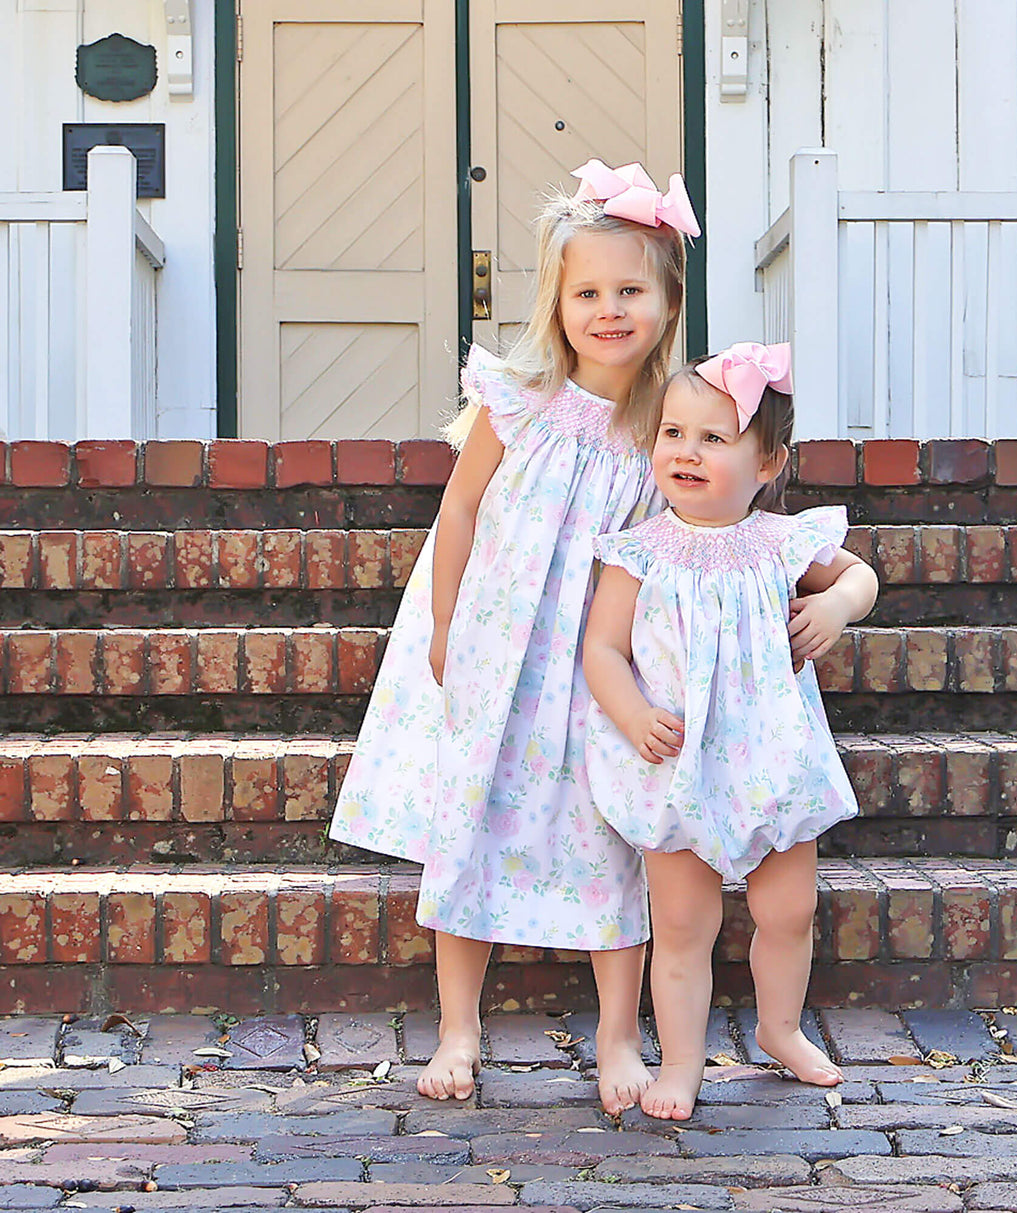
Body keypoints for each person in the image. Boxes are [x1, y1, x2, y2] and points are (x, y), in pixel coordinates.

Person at [326, 159, 700, 1113]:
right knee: (473, 818)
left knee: (611, 830)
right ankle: (459, 1024)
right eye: (586, 292)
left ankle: (619, 1038)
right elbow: (458, 514)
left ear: (667, 301)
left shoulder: (671, 425)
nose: (607, 310)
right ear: (556, 301)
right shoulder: (519, 399)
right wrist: (446, 629)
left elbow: (706, 531)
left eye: (629, 290)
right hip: (499, 645)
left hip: (600, 660)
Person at [582, 342, 879, 1120]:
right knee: (682, 923)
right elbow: (602, 649)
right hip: (676, 763)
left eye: (714, 438)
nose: (686, 451)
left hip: (774, 762)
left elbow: (860, 575)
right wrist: (632, 713)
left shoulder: (781, 543)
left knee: (789, 910)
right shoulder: (639, 551)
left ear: (768, 460)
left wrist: (836, 606)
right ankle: (680, 1061)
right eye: (673, 433)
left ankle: (779, 1027)